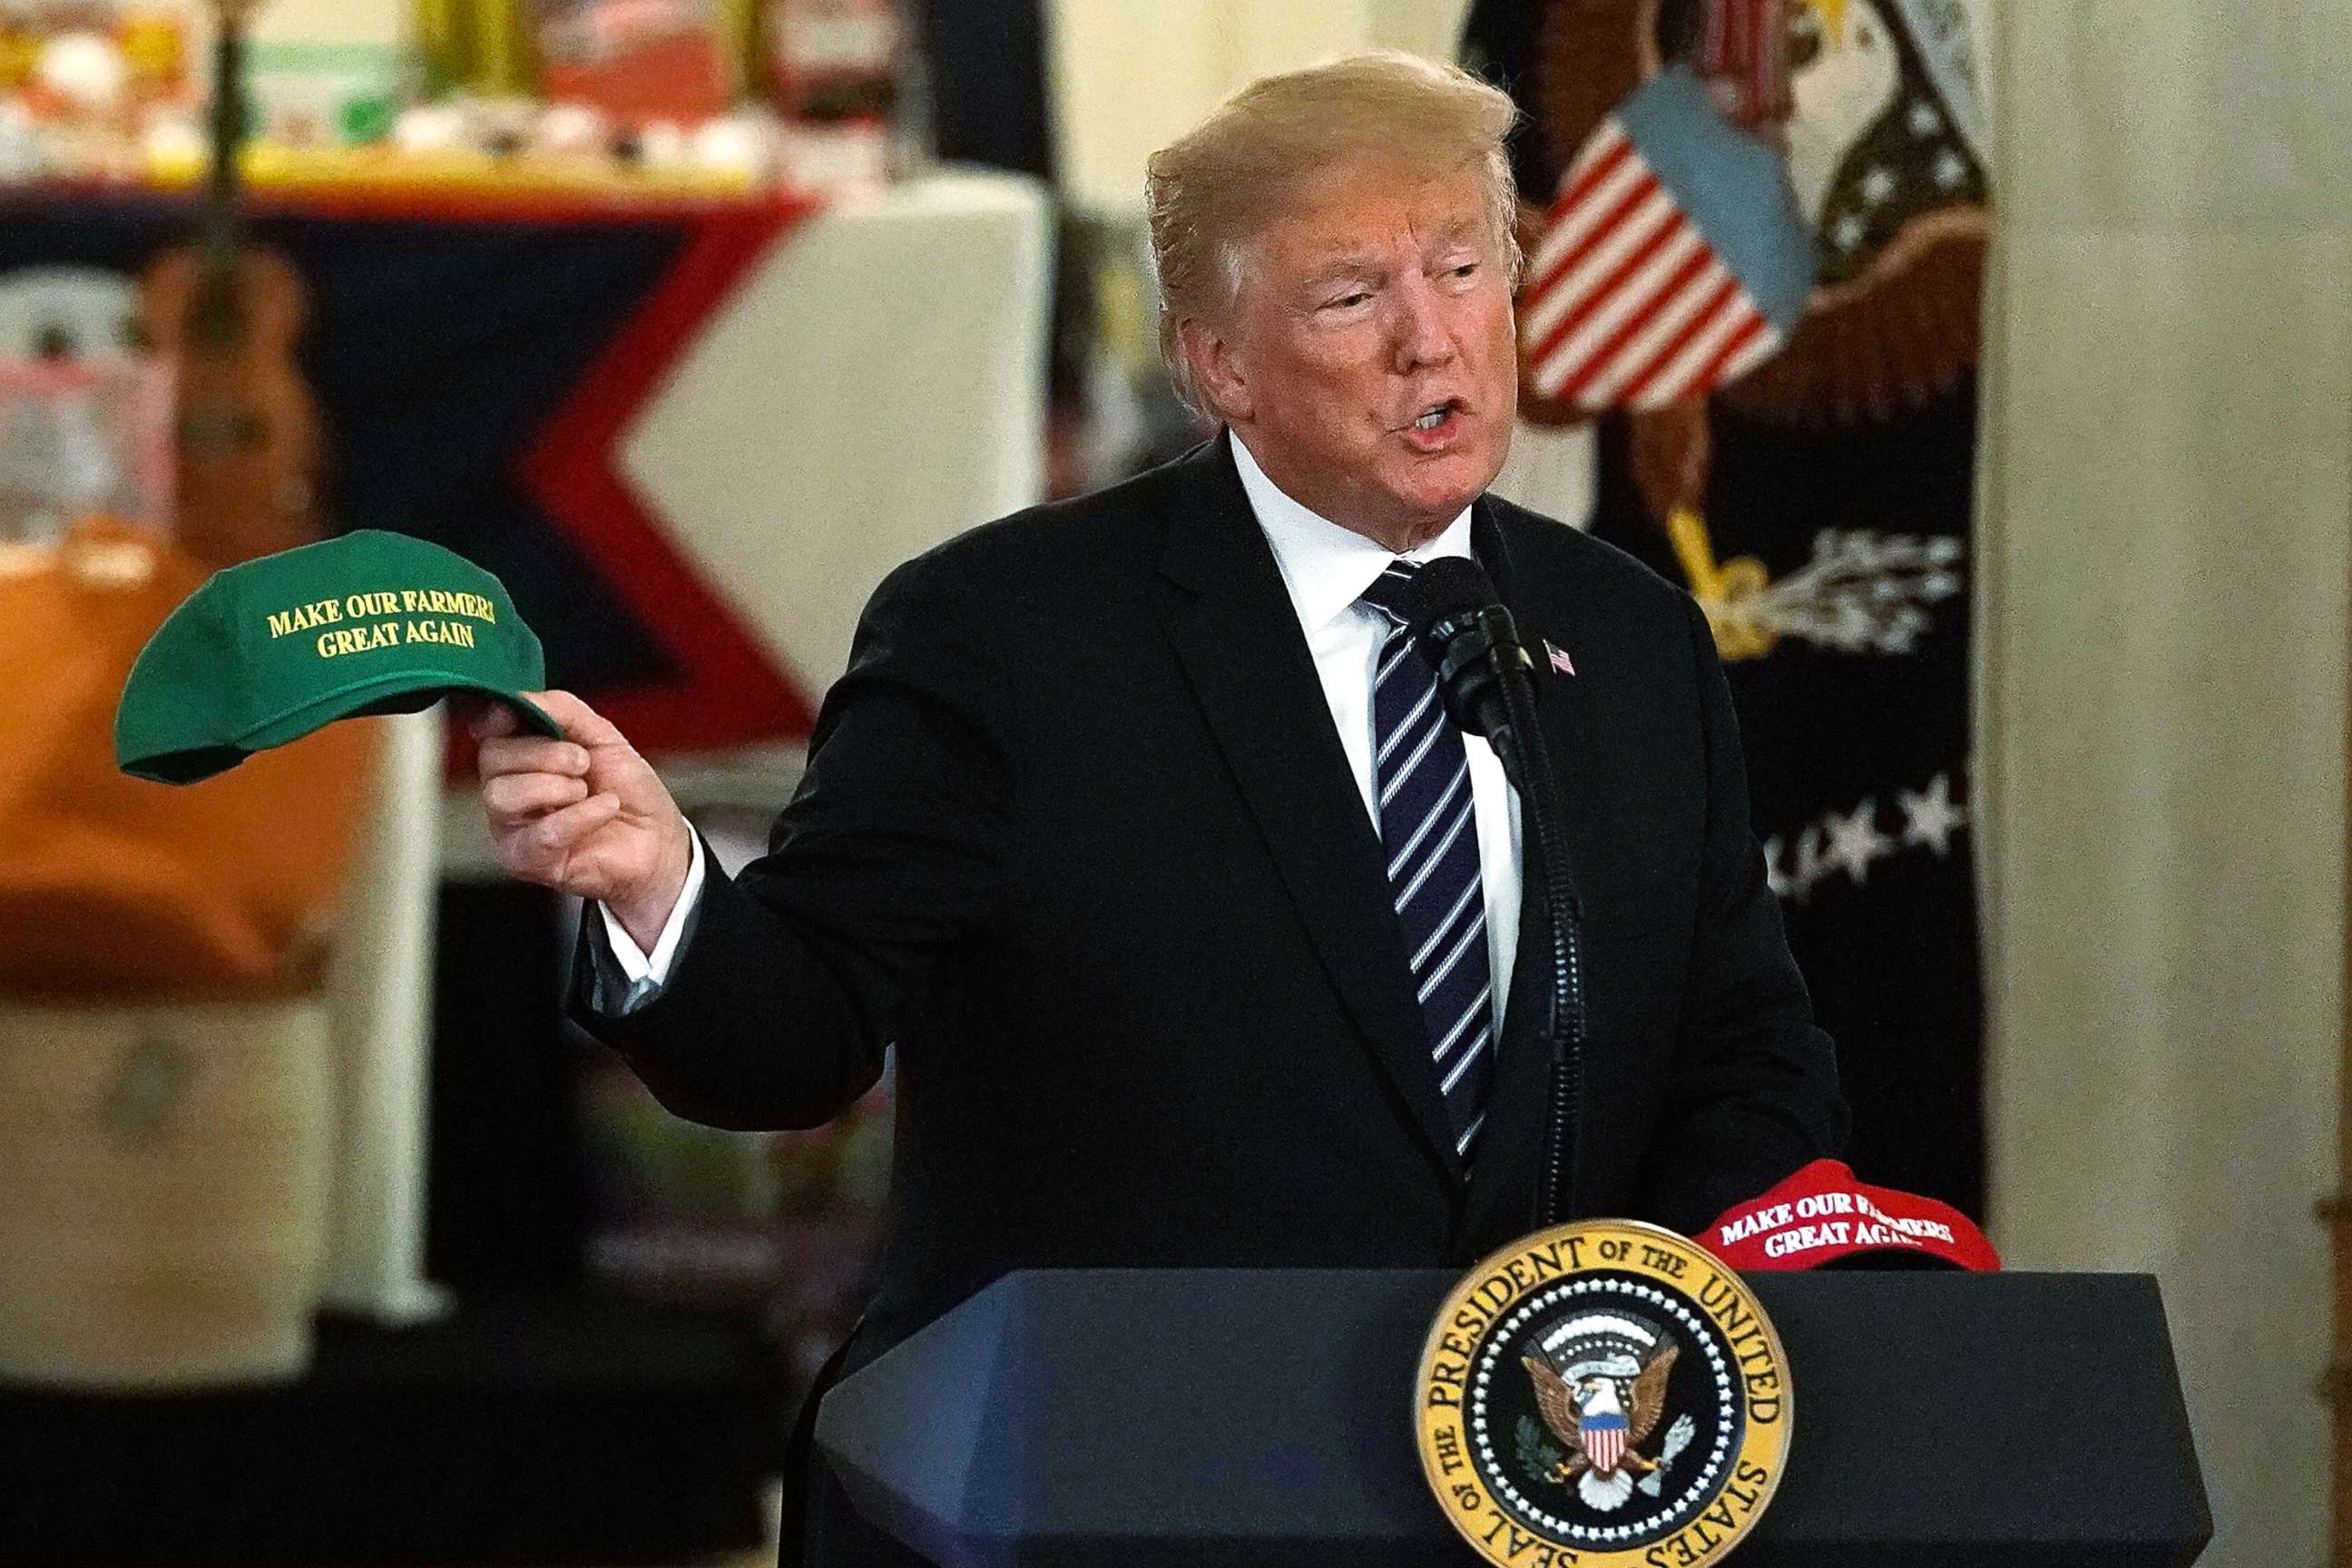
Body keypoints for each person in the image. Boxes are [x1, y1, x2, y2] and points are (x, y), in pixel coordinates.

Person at [472, 50, 1845, 1568]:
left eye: (1463, 269)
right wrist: (666, 890)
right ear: (1219, 368)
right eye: (1350, 298)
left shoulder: (1631, 641)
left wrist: (1658, 1364)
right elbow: (800, 1029)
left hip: (1517, 1500)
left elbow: (1743, 1061)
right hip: (1092, 1494)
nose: (1428, 338)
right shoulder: (1008, 633)